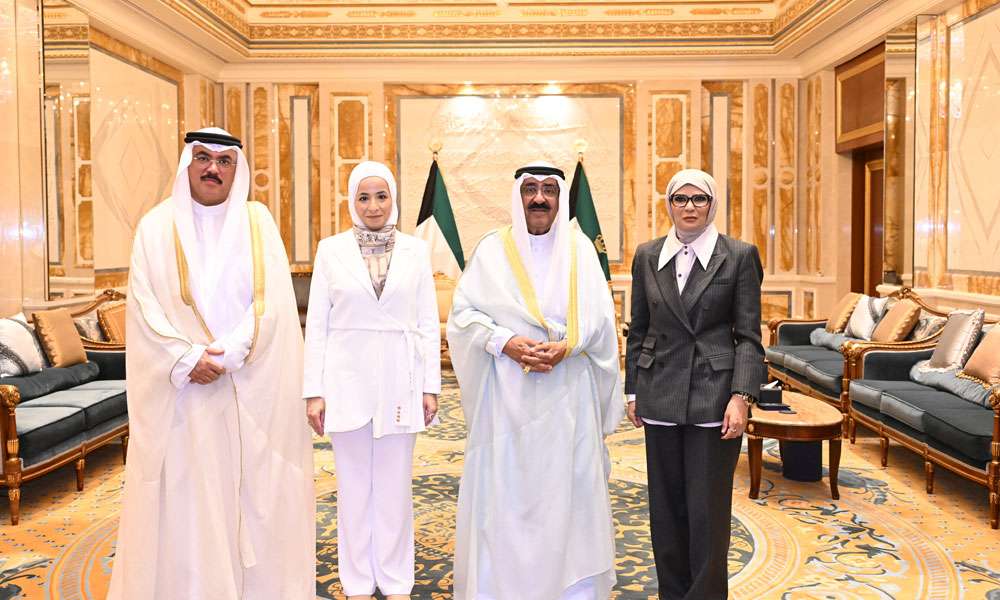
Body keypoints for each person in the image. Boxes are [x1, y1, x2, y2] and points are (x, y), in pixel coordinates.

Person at [108, 127, 315, 599]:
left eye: (225, 161)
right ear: (188, 163)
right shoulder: (155, 227)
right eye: (203, 157)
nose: (213, 169)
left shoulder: (258, 222)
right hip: (182, 396)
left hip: (247, 388)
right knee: (188, 500)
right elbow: (142, 305)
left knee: (252, 494)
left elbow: (273, 303)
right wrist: (186, 359)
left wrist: (228, 353)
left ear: (237, 170)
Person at [448, 162, 623, 600]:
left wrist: (569, 346)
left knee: (569, 493)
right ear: (518, 196)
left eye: (549, 189)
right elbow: (463, 316)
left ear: (560, 197)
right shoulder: (492, 250)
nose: (540, 198)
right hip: (507, 399)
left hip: (569, 397)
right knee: (507, 494)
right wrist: (504, 342)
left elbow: (603, 321)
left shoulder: (581, 251)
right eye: (530, 189)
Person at [624, 168, 765, 600]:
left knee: (707, 511)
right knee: (665, 510)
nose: (689, 207)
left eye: (698, 199)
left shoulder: (739, 255)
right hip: (660, 390)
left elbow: (749, 337)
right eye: (680, 199)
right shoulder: (647, 255)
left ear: (712, 204)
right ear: (669, 205)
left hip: (713, 394)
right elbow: (639, 328)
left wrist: (741, 397)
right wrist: (633, 389)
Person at [303, 161, 441, 600]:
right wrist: (313, 392)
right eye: (364, 197)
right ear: (351, 201)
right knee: (354, 488)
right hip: (345, 383)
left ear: (393, 199)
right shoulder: (330, 250)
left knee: (395, 488)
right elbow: (317, 326)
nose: (374, 205)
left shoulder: (416, 251)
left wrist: (430, 386)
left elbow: (427, 322)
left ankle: (396, 579)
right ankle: (358, 581)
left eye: (381, 196)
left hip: (401, 381)